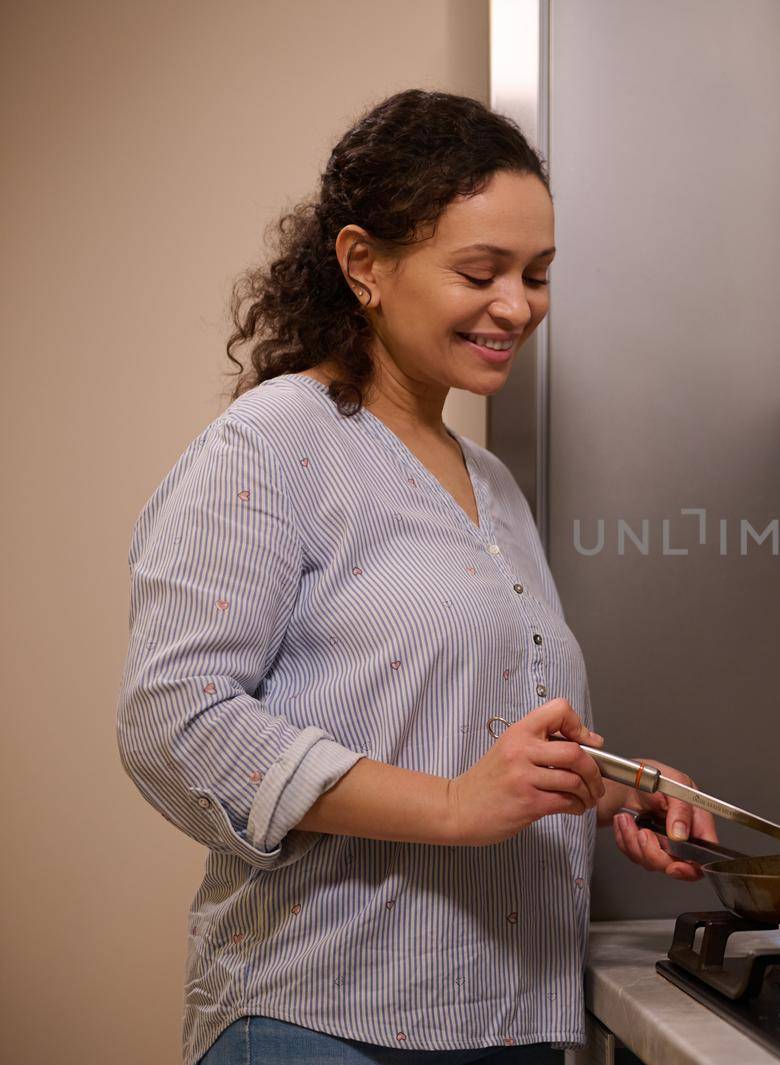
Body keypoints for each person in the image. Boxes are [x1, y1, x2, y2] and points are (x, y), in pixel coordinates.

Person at [115, 88, 713, 1065]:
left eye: (537, 273)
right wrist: (447, 810)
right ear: (365, 264)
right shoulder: (269, 447)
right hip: (323, 1022)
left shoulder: (491, 485)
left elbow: (465, 732)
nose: (517, 305)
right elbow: (173, 720)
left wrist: (611, 789)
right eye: (480, 270)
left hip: (511, 1016)